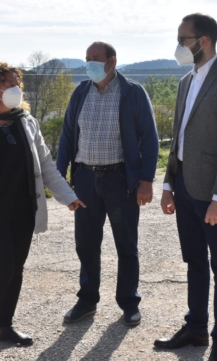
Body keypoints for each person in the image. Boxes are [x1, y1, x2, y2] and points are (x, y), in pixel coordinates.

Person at [0, 62, 85, 361]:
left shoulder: (27, 122)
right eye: (9, 84)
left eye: (17, 82)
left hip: (23, 211)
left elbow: (46, 165)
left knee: (16, 271)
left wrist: (68, 196)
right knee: (0, 273)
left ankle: (4, 327)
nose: (15, 88)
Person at [153, 14, 217, 361]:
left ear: (203, 40)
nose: (179, 45)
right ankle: (195, 328)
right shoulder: (185, 82)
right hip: (183, 187)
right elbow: (178, 137)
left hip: (212, 194)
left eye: (183, 38)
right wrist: (167, 183)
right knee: (194, 260)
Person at [57, 41, 159, 327]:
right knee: (86, 244)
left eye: (95, 59)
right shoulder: (80, 93)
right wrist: (59, 179)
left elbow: (149, 140)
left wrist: (146, 181)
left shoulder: (133, 93)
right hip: (85, 179)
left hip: (120, 180)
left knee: (126, 244)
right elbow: (66, 137)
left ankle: (129, 303)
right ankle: (87, 300)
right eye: (87, 58)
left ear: (111, 62)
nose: (89, 64)